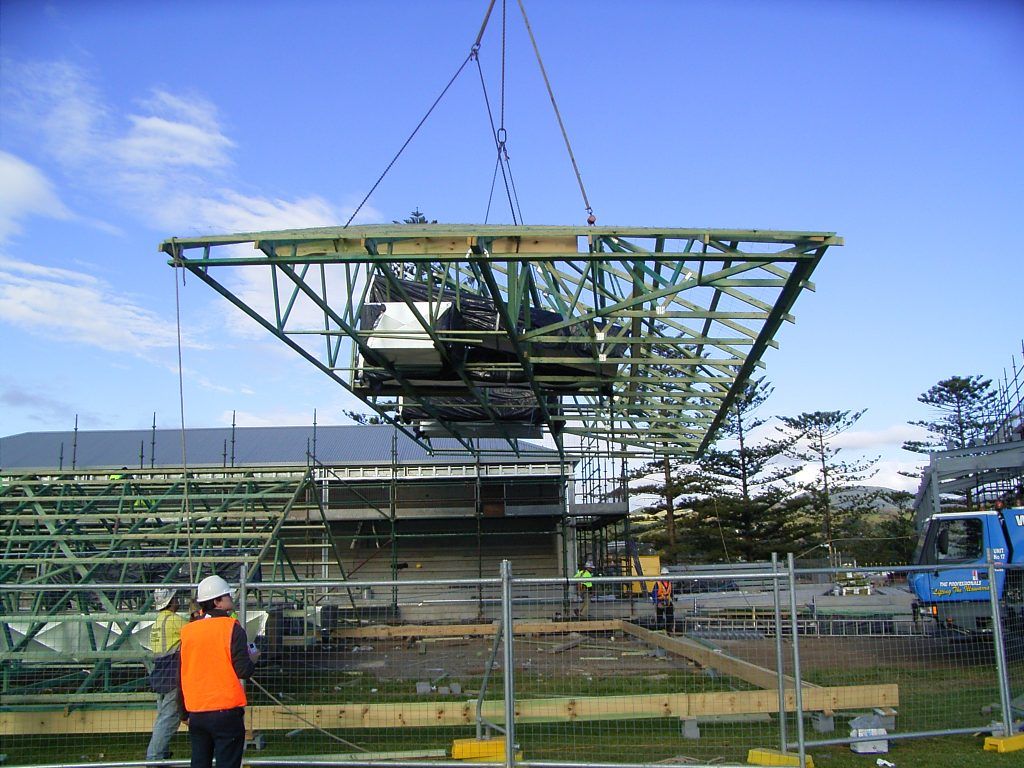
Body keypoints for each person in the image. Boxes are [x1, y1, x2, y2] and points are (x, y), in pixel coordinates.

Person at [179, 575, 259, 768]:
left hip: (197, 712)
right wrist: (253, 659)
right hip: (225, 711)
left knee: (199, 762)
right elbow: (243, 670)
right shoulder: (232, 628)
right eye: (227, 596)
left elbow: (181, 673)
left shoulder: (189, 631)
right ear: (217, 602)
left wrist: (183, 712)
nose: (231, 598)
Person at [146, 589, 187, 765]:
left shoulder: (156, 623)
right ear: (170, 602)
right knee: (168, 719)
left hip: (160, 673)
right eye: (176, 598)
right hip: (172, 674)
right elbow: (196, 632)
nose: (178, 601)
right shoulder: (175, 621)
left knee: (162, 717)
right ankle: (154, 758)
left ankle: (159, 755)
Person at [652, 568, 675, 634]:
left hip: (667, 601)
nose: (665, 576)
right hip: (660, 601)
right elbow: (654, 594)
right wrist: (657, 603)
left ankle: (669, 630)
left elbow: (671, 593)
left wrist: (672, 601)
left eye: (666, 575)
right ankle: (660, 631)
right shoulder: (658, 583)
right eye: (664, 575)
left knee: (670, 616)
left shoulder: (670, 583)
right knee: (659, 617)